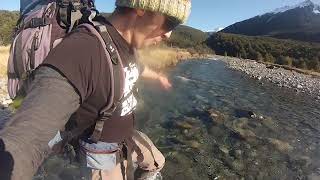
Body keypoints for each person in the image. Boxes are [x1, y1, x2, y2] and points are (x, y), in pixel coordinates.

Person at [0, 0, 191, 180]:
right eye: (170, 22)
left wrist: (158, 77)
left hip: (126, 138)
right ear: (141, 7)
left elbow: (136, 67)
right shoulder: (84, 50)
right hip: (102, 156)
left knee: (157, 162)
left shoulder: (127, 45)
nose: (168, 35)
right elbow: (27, 139)